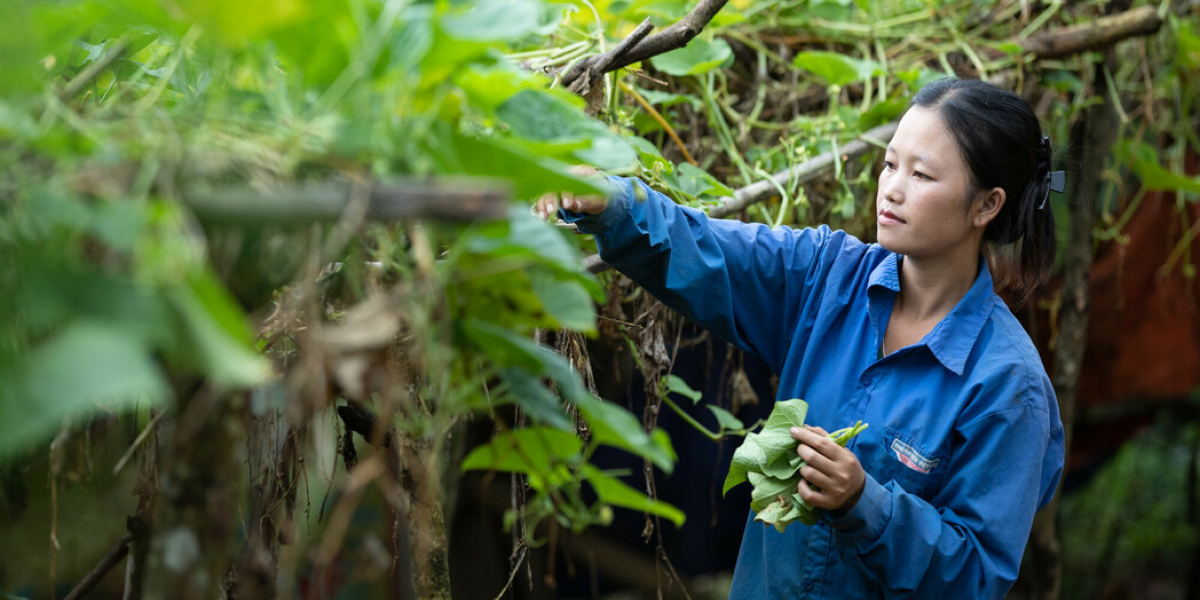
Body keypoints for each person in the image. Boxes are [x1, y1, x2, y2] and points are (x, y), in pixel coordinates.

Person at [536, 78, 1066, 599]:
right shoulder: (825, 275)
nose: (892, 188)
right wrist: (611, 200)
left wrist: (863, 502)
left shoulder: (1008, 384)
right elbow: (708, 250)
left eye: (922, 175)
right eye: (889, 164)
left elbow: (976, 575)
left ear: (986, 205)